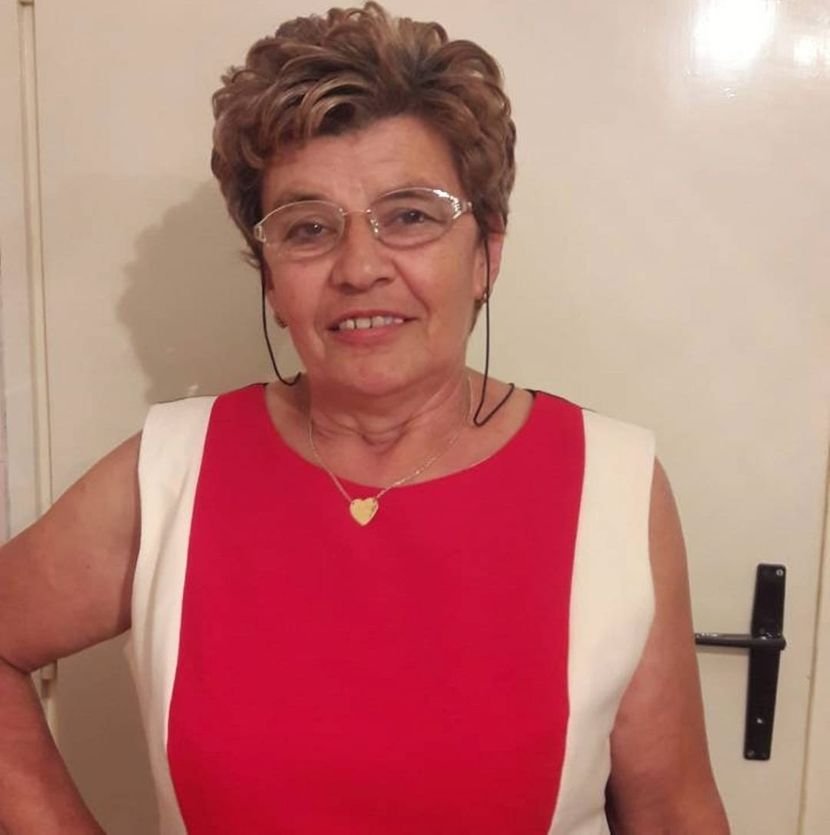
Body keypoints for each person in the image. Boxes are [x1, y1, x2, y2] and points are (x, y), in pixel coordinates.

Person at [0, 3, 730, 833]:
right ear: (272, 281)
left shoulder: (614, 486)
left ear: (486, 253)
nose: (359, 267)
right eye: (308, 228)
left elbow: (672, 809)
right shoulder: (169, 474)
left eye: (410, 215)